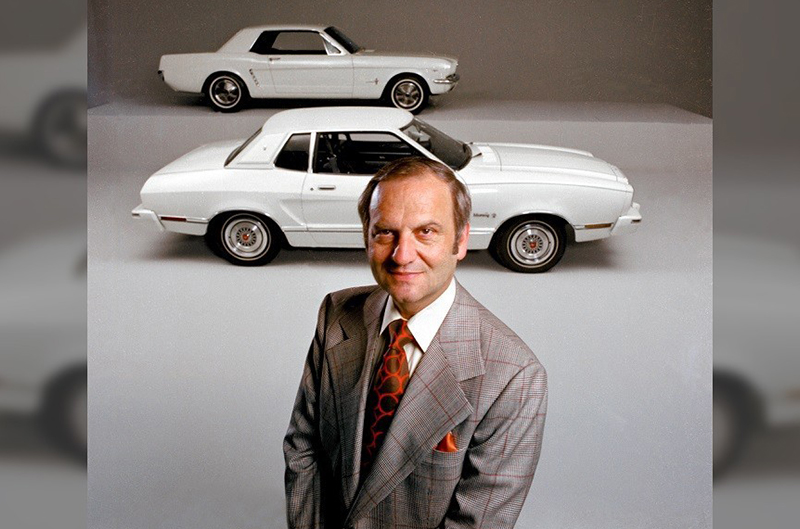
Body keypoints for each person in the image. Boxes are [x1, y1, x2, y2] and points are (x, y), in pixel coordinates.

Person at [284, 157, 547, 529]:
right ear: (367, 237)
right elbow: (303, 448)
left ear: (460, 240)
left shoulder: (514, 376)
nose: (402, 255)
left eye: (426, 232)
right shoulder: (336, 313)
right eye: (386, 232)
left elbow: (476, 524)